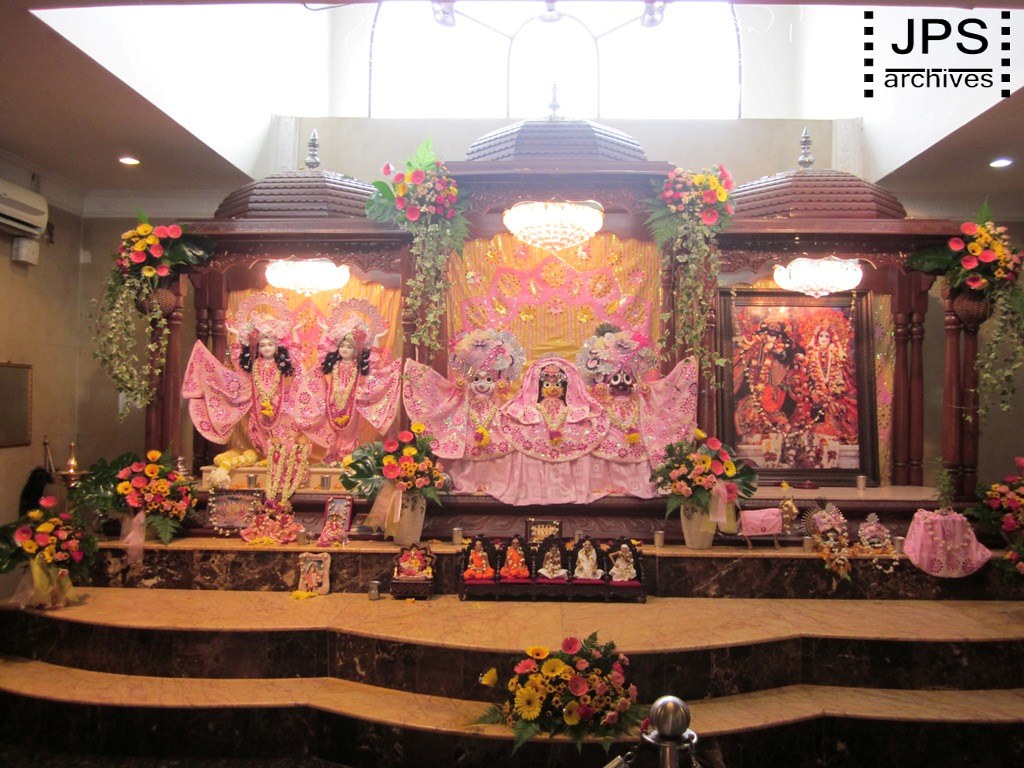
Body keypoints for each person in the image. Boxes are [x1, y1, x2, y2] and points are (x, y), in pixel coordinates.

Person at [576, 324, 698, 495]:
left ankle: (640, 487)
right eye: (616, 378)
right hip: (608, 427)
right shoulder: (600, 400)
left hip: (635, 428)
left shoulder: (641, 397)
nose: (622, 383)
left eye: (627, 377)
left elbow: (659, 397)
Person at [403, 328, 526, 491]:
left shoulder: (501, 406)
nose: (482, 384)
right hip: (466, 425)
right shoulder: (461, 402)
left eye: (488, 379)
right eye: (476, 379)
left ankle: (498, 482)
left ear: (497, 382)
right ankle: (461, 480)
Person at [183, 291, 300, 457]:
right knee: (259, 431)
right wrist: (237, 336)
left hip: (279, 403)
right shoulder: (254, 364)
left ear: (277, 346)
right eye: (262, 345)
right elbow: (237, 360)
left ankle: (280, 458)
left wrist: (294, 332)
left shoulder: (281, 363)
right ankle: (264, 456)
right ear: (257, 347)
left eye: (270, 345)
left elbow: (296, 357)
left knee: (281, 431)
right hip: (257, 403)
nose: (266, 348)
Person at [293, 299, 401, 462]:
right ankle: (334, 455)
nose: (344, 349)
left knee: (350, 433)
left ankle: (349, 456)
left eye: (349, 347)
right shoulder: (334, 364)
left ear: (357, 350)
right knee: (333, 430)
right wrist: (325, 331)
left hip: (351, 402)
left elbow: (374, 361)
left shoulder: (358, 366)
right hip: (332, 401)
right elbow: (322, 354)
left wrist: (377, 338)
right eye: (342, 346)